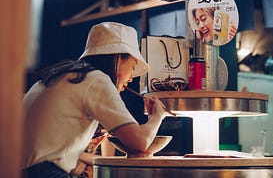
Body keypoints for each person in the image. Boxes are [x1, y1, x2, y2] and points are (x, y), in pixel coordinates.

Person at [21, 22, 169, 177]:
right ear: (118, 58)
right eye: (132, 67)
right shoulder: (96, 80)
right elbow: (140, 143)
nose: (131, 78)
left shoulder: (65, 75)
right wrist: (158, 116)